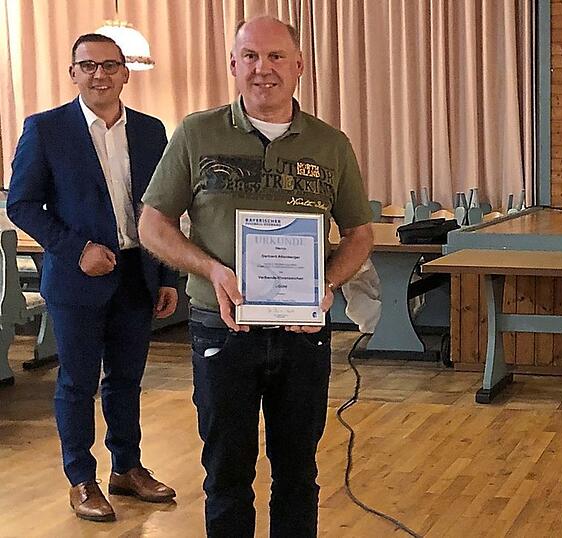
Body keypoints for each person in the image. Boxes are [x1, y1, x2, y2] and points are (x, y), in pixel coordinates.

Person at [137, 16, 373, 537]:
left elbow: (359, 233)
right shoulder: (196, 134)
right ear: (233, 65)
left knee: (298, 473)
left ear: (299, 66)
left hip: (303, 336)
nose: (262, 69)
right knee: (225, 474)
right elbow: (153, 225)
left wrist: (326, 285)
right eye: (250, 57)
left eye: (274, 57)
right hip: (221, 331)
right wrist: (212, 269)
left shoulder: (331, 145)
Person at [6, 34, 180, 522]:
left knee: (126, 381)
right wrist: (76, 249)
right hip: (77, 278)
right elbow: (22, 204)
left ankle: (127, 469)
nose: (99, 75)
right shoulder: (45, 130)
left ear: (126, 73)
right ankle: (81, 479)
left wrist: (166, 274)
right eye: (88, 66)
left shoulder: (150, 131)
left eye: (110, 66)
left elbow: (162, 208)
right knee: (78, 383)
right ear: (73, 73)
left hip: (137, 274)